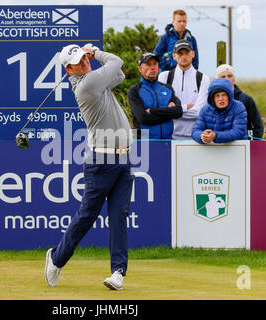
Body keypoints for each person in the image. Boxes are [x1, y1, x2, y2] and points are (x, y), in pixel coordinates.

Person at [45, 44, 134, 291]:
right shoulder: (86, 86)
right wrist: (95, 52)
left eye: (85, 57)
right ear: (68, 69)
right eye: (79, 60)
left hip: (123, 160)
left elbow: (119, 74)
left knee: (119, 216)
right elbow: (116, 63)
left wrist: (93, 57)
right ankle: (56, 258)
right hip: (101, 162)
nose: (85, 62)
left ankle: (118, 272)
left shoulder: (94, 79)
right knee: (87, 216)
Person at [158, 39, 210, 139]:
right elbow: (161, 110)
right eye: (180, 53)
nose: (184, 56)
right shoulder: (164, 77)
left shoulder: (203, 78)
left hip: (195, 137)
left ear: (193, 54)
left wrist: (172, 110)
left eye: (187, 53)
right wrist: (187, 107)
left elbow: (199, 112)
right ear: (174, 56)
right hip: (169, 137)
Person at [127, 52, 183, 139]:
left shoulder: (167, 88)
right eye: (148, 64)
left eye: (154, 64)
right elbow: (143, 118)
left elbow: (179, 112)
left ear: (158, 67)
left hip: (167, 141)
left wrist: (153, 111)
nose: (152, 67)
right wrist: (169, 113)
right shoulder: (134, 91)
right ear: (140, 69)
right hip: (143, 142)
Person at [191, 78, 247, 144]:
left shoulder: (238, 107)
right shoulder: (205, 109)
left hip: (237, 148)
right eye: (217, 96)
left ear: (229, 96)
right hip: (212, 150)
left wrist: (215, 136)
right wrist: (202, 136)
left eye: (224, 95)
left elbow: (238, 132)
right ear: (212, 98)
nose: (221, 99)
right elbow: (195, 131)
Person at [215, 64, 264, 140]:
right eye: (223, 77)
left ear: (234, 78)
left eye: (229, 76)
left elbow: (258, 126)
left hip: (243, 144)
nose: (227, 79)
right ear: (217, 79)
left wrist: (251, 142)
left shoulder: (247, 99)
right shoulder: (212, 100)